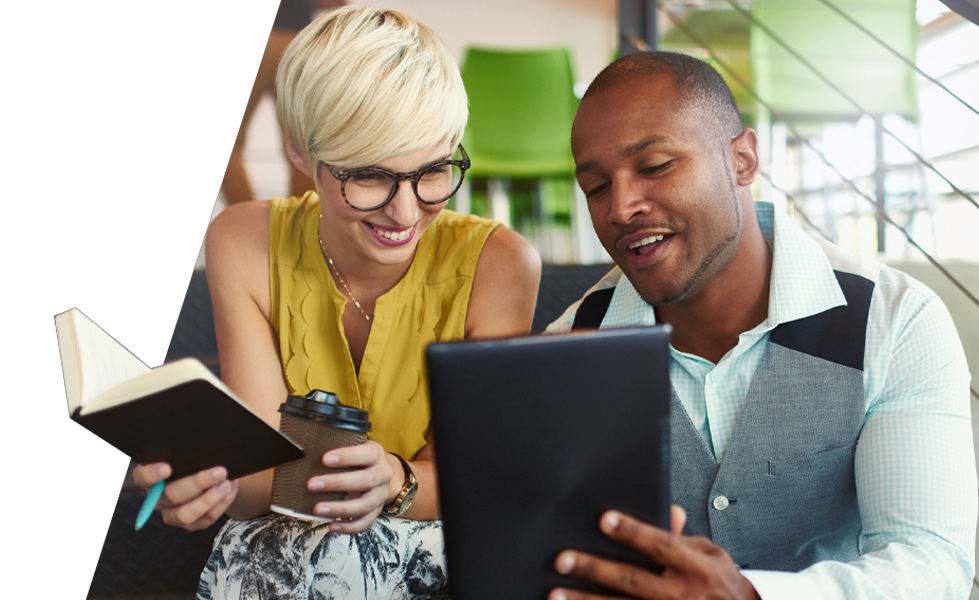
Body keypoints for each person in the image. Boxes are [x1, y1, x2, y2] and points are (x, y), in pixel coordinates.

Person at [132, 7, 541, 599]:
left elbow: (471, 482)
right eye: (369, 177)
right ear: (300, 154)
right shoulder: (243, 242)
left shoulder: (499, 264)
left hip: (433, 530)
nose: (405, 214)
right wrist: (206, 482)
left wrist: (395, 481)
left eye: (432, 171)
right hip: (288, 538)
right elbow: (258, 479)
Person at [545, 51, 976, 600]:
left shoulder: (894, 321)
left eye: (654, 166)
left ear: (743, 159)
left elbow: (932, 563)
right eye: (597, 187)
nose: (621, 207)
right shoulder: (565, 352)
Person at [219, 0, 346, 206]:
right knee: (303, 142)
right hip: (297, 41)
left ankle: (246, 218)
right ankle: (298, 223)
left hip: (290, 37)